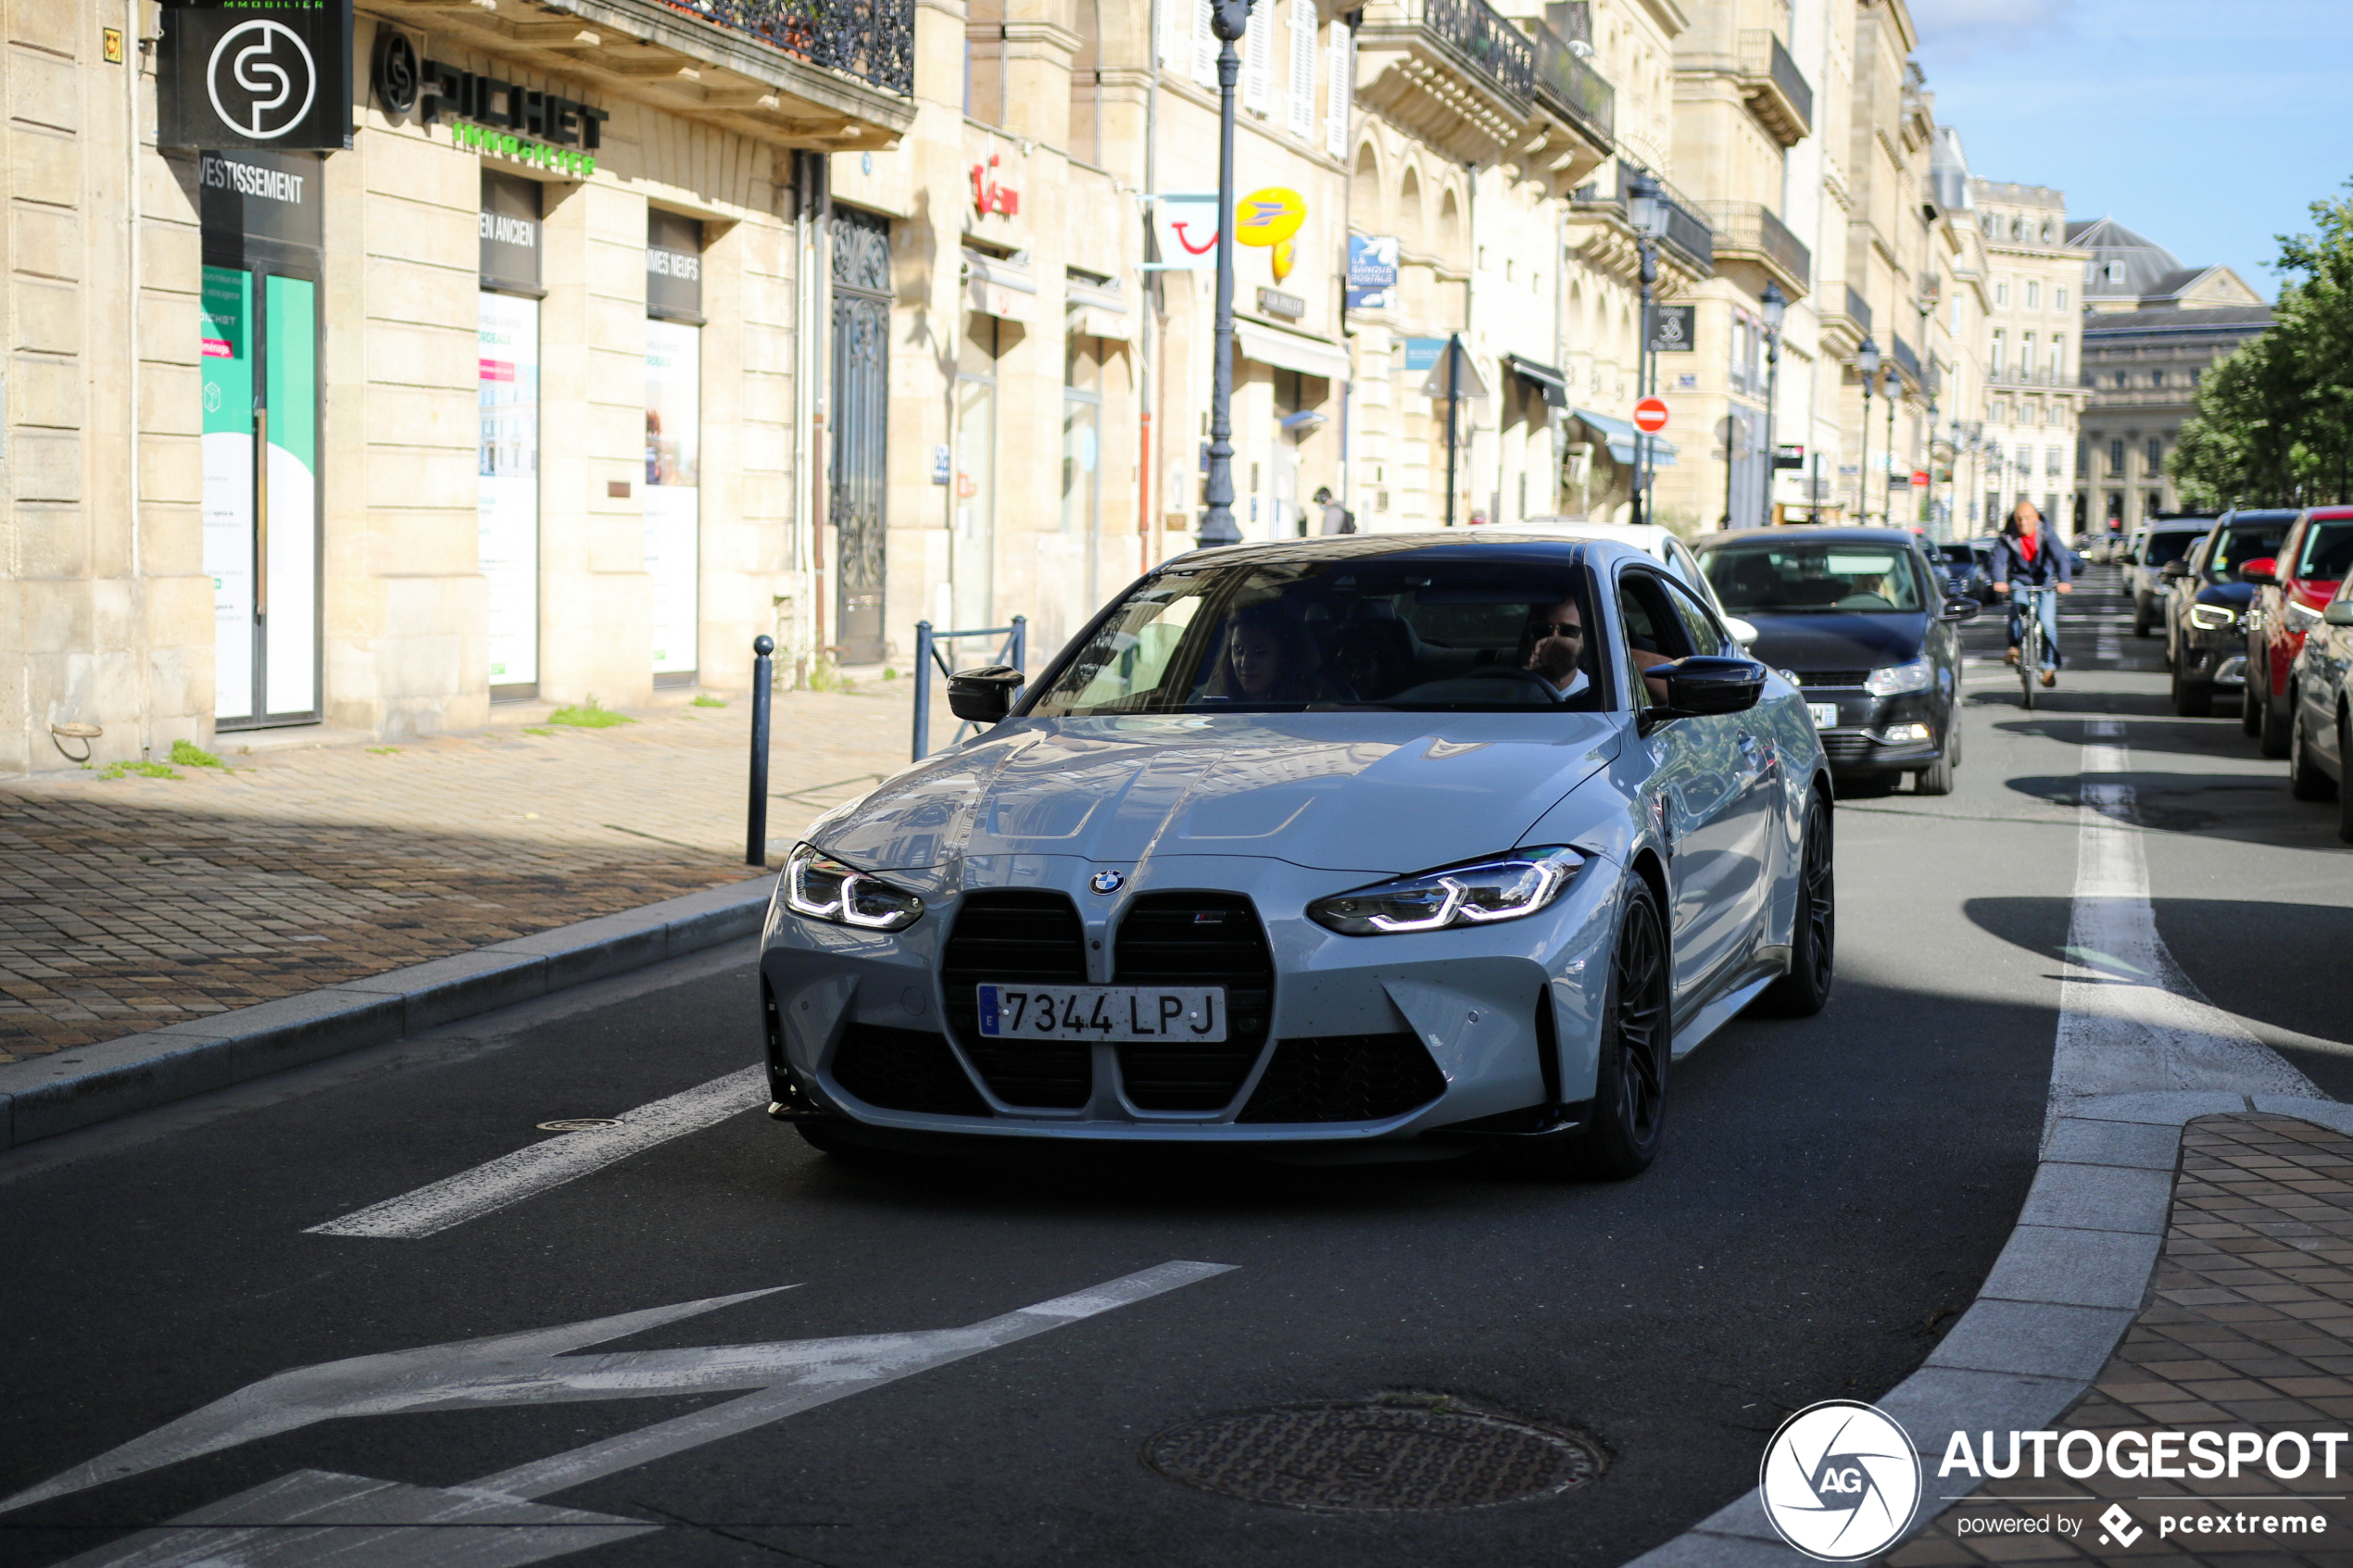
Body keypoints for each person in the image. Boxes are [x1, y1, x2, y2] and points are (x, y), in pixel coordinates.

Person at [1989, 500, 2072, 687]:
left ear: (2036, 518)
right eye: (2019, 519)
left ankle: (2049, 667)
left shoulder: (2046, 532)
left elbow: (2060, 556)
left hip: (2044, 580)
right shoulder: (2007, 536)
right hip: (2020, 580)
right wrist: (1998, 581)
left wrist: (2064, 580)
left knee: (2048, 624)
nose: (2022, 522)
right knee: (2018, 609)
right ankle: (2015, 647)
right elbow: (1997, 560)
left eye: (2027, 518)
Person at [1199, 601, 1345, 704]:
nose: (1245, 663)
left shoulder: (1319, 701)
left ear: (1283, 655)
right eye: (1238, 650)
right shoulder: (1207, 702)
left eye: (1259, 652)